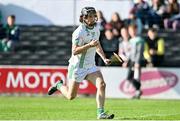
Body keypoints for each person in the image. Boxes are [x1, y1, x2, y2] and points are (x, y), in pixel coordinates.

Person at [48, 7, 114, 119]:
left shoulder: (96, 29)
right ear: (85, 18)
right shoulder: (79, 32)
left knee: (102, 85)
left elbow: (97, 45)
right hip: (77, 67)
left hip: (91, 66)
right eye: (91, 15)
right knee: (70, 96)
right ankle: (58, 85)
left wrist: (104, 58)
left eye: (94, 15)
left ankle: (100, 113)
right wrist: (89, 45)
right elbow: (74, 51)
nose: (94, 17)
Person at [127, 24, 144, 99]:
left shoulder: (139, 40)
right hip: (131, 61)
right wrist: (127, 61)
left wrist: (137, 62)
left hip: (136, 61)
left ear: (136, 30)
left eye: (134, 30)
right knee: (129, 77)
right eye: (130, 30)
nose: (132, 32)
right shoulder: (131, 40)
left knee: (135, 77)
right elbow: (131, 52)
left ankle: (138, 91)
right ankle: (138, 90)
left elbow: (139, 52)